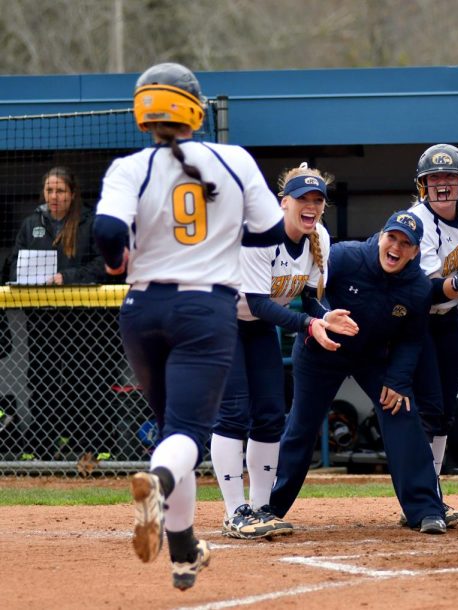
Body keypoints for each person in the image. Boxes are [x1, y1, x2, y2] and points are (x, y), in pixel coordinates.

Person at [93, 62, 286, 590]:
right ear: (194, 109)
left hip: (141, 309)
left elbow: (108, 229)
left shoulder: (129, 167)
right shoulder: (233, 158)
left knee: (170, 432)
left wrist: (116, 263)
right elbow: (271, 229)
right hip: (205, 310)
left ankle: (183, 550)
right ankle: (155, 485)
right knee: (185, 437)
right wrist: (219, 242)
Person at [268, 211, 448, 535]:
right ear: (381, 236)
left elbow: (411, 340)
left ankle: (425, 509)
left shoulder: (418, 288)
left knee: (401, 411)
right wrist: (324, 317)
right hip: (321, 349)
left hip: (372, 356)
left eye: (405, 243)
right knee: (301, 426)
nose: (396, 247)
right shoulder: (343, 256)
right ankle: (269, 507)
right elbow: (308, 297)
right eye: (392, 237)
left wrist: (397, 380)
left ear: (415, 252)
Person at [210, 163, 358, 540]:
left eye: (317, 200)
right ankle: (235, 511)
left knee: (271, 415)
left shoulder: (319, 237)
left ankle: (262, 509)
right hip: (219, 318)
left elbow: (307, 298)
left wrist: (325, 317)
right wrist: (310, 326)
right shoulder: (260, 234)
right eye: (302, 199)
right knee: (234, 413)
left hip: (256, 326)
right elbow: (258, 302)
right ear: (283, 203)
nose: (311, 206)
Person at [11, 167, 114, 460]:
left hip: (84, 320)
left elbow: (102, 266)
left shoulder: (89, 222)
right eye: (49, 191)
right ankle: (43, 450)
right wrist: (26, 275)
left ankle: (92, 447)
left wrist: (66, 277)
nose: (54, 197)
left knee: (85, 381)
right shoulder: (32, 224)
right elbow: (13, 264)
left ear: (71, 194)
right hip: (43, 320)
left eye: (60, 191)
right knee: (41, 381)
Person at [408, 144, 458, 527]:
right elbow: (433, 287)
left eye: (449, 176)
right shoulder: (418, 220)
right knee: (427, 408)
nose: (442, 184)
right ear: (424, 184)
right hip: (414, 321)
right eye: (435, 178)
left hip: (449, 319)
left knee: (443, 413)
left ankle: (432, 493)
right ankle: (420, 497)